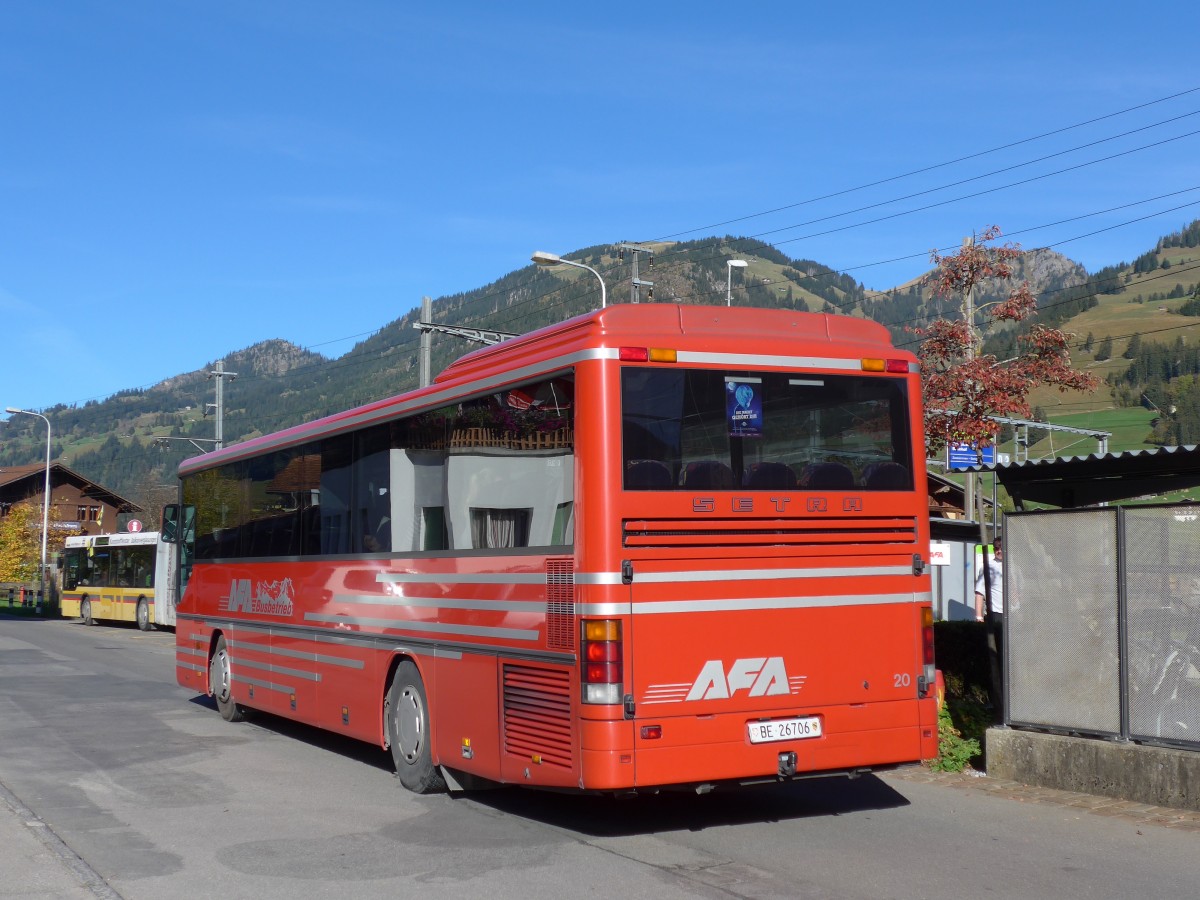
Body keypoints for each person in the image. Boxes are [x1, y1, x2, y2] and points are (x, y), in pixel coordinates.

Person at [974, 536, 1004, 624]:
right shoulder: (987, 567)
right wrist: (979, 617)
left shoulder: (1014, 567)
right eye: (996, 548)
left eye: (1001, 548)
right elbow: (979, 593)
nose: (998, 551)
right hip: (996, 613)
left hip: (1013, 613)